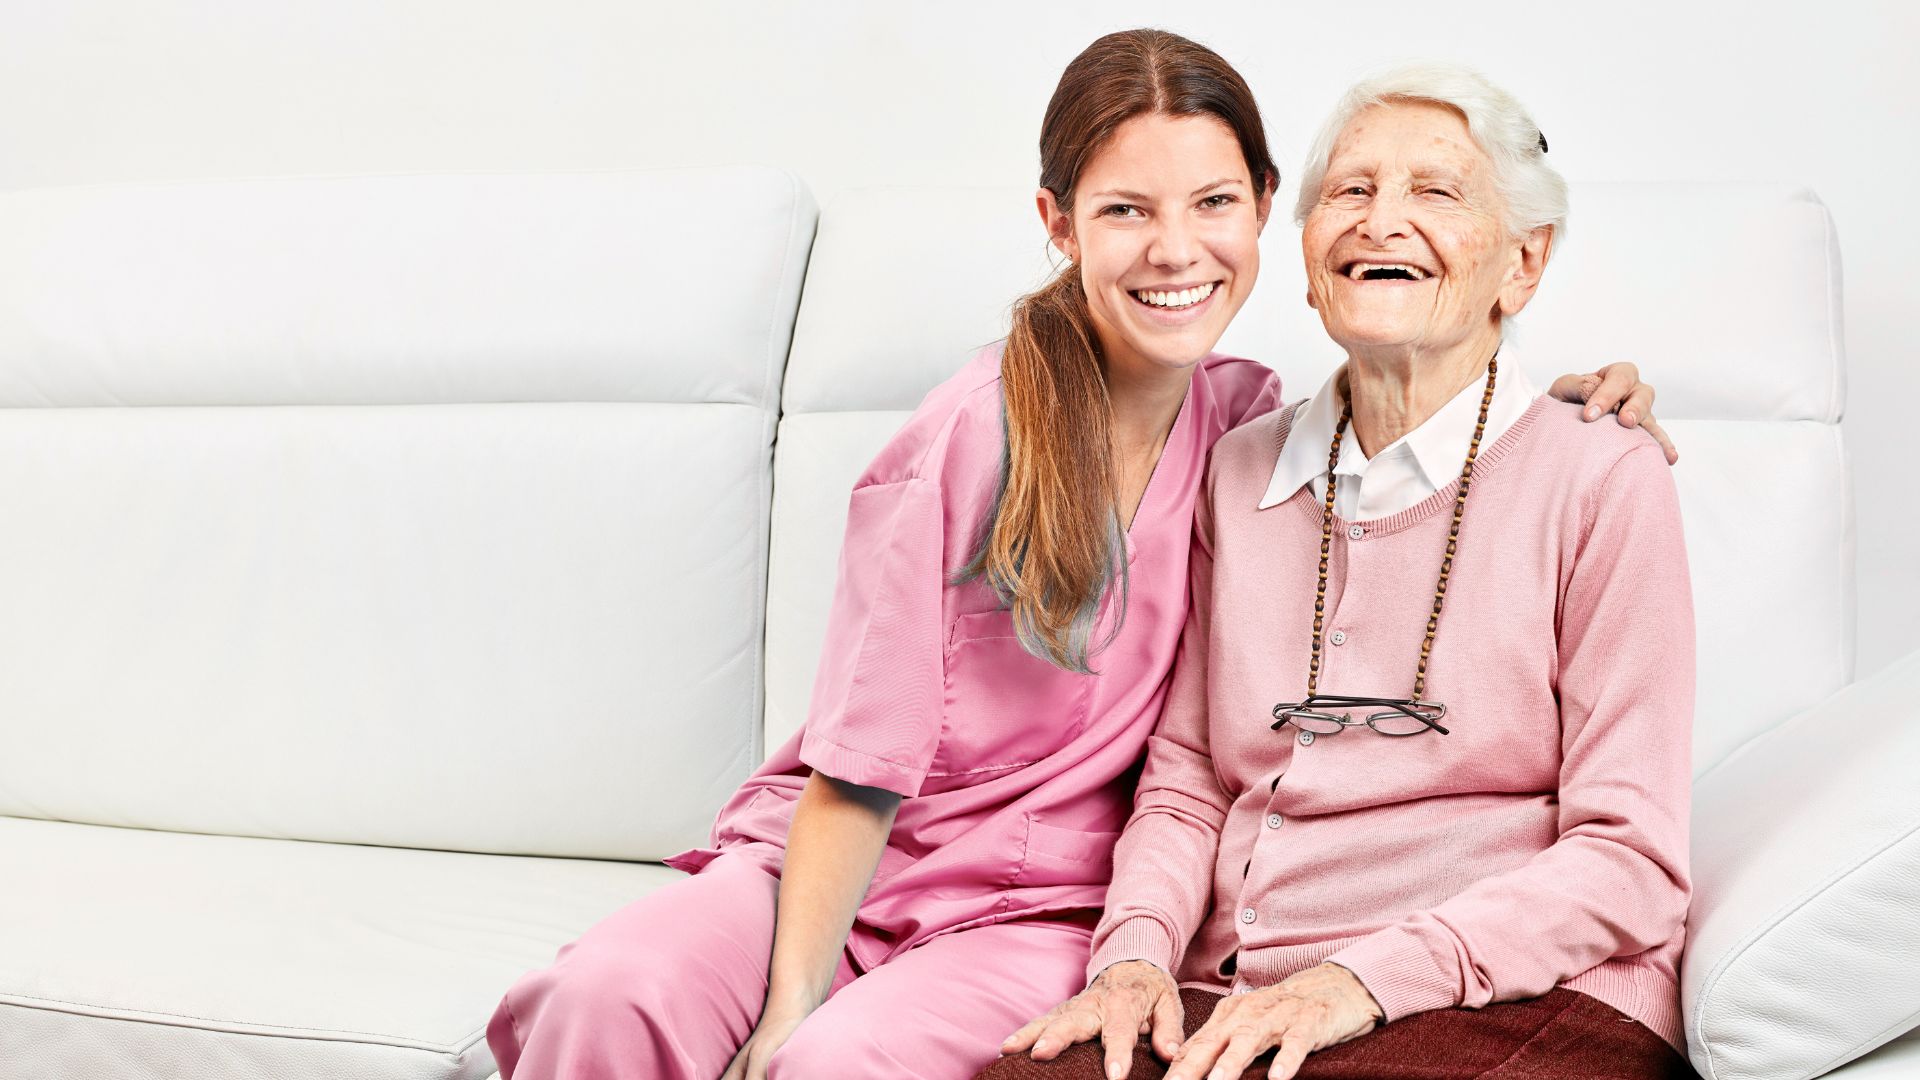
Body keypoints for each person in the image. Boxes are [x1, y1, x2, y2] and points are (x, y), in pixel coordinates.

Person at [487, 35, 1671, 1080]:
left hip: (1045, 903)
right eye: (1124, 212)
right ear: (1059, 223)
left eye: (1212, 203)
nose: (1174, 249)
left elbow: (1438, 411)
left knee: (840, 1065)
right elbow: (860, 768)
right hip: (848, 866)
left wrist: (1563, 407)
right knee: (607, 998)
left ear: (1262, 211)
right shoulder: (1009, 439)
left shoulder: (1250, 427)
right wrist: (792, 997)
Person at [989, 62, 1695, 1080]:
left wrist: (1358, 984)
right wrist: (1134, 957)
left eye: (1436, 191)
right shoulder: (1240, 469)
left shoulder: (1600, 474)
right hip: (1245, 995)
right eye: (1350, 190)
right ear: (1309, 250)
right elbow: (1188, 779)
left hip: (1522, 991)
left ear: (1524, 261)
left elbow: (1631, 858)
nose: (1380, 221)